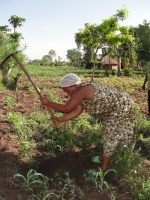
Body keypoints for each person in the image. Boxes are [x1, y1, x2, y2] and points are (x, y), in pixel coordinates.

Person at [40, 73, 136, 172]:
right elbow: (77, 111)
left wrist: (48, 103)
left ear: (74, 86)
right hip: (113, 109)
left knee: (111, 136)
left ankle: (104, 168)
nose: (68, 94)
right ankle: (105, 157)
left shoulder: (82, 90)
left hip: (121, 107)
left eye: (67, 91)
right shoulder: (80, 92)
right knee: (107, 132)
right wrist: (60, 120)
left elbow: (67, 108)